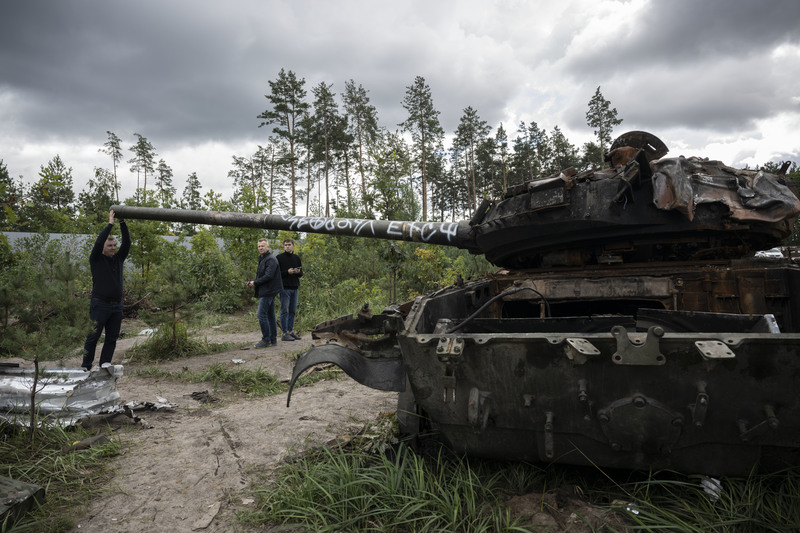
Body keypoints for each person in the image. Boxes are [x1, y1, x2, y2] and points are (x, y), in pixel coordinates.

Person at [82, 210, 130, 371]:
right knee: (93, 337)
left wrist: (122, 222)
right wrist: (110, 224)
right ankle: (86, 366)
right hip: (100, 304)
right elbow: (98, 243)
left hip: (117, 306)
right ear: (102, 247)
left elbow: (127, 243)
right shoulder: (96, 259)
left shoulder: (118, 259)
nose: (113, 248)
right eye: (109, 245)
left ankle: (104, 364)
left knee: (112, 338)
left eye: (114, 245)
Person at [247, 238, 283, 348]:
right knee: (270, 315)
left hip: (268, 291)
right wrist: (254, 281)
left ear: (268, 247)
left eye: (263, 246)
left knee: (261, 315)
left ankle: (266, 339)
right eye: (259, 246)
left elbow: (268, 276)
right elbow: (263, 274)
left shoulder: (271, 259)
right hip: (267, 290)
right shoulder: (263, 258)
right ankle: (273, 339)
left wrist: (255, 282)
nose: (260, 248)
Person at [276, 238, 303, 341]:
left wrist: (297, 272)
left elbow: (301, 273)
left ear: (293, 246)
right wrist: (287, 272)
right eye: (286, 245)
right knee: (284, 311)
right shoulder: (279, 258)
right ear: (284, 246)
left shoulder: (297, 258)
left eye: (289, 245)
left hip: (295, 287)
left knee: (292, 311)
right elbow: (277, 274)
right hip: (284, 288)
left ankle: (291, 331)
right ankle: (284, 333)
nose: (287, 246)